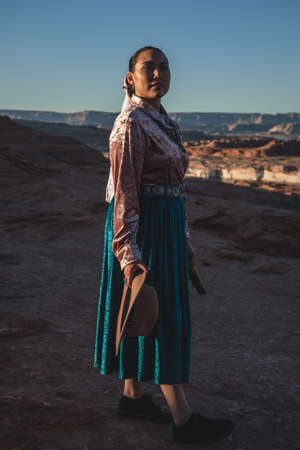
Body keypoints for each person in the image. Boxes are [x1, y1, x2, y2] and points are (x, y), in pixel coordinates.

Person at [94, 46, 234, 444]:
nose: (157, 74)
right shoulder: (129, 125)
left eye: (164, 67)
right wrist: (129, 256)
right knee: (159, 314)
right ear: (130, 78)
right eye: (147, 67)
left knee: (149, 312)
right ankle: (183, 418)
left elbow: (176, 187)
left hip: (167, 228)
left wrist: (184, 239)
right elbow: (124, 195)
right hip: (143, 230)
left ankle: (133, 396)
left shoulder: (162, 121)